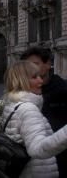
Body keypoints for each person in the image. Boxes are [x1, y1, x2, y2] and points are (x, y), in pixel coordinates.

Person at [2, 60, 67, 178]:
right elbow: (37, 149)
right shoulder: (28, 109)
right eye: (34, 77)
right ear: (21, 81)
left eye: (40, 76)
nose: (41, 81)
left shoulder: (13, 105)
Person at [21, 47, 67, 177]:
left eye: (35, 64)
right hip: (35, 165)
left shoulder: (63, 90)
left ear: (48, 64)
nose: (31, 69)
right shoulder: (23, 94)